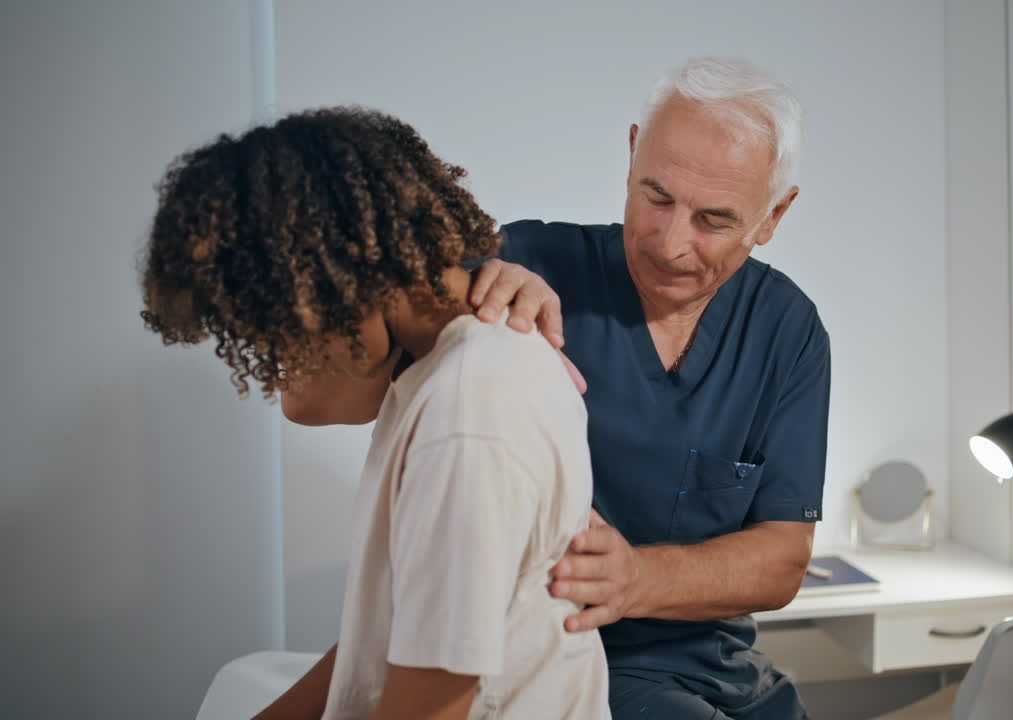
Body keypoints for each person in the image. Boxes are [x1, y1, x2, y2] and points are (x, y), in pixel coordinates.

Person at [140, 107, 609, 720]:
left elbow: (431, 703)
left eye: (272, 331)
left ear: (332, 290)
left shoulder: (467, 416)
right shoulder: (443, 370)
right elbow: (392, 633)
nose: (272, 360)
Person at [471, 56, 830, 719]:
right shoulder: (531, 264)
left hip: (727, 676)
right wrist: (471, 288)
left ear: (774, 215)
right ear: (632, 153)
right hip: (571, 667)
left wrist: (638, 577)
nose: (670, 242)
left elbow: (781, 558)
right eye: (656, 197)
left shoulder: (787, 329)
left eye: (713, 220)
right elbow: (380, 302)